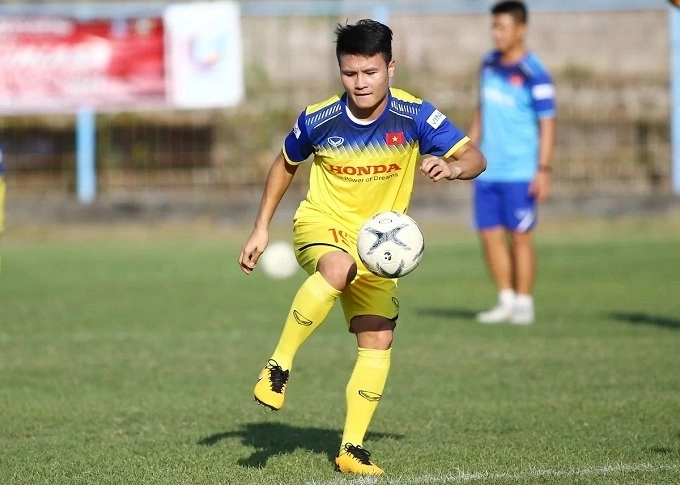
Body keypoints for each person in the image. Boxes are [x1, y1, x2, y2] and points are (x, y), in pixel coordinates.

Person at [238, 19, 486, 476]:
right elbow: (284, 163)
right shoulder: (320, 118)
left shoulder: (415, 116)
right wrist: (260, 227)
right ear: (340, 71)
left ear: (390, 67)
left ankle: (350, 449)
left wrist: (449, 168)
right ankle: (279, 365)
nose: (360, 83)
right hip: (322, 227)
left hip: (377, 248)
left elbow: (474, 158)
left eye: (370, 72)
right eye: (350, 73)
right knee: (337, 268)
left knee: (377, 339)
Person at [468, 1, 556, 325]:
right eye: (493, 26)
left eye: (502, 27)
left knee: (520, 236)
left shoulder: (534, 72)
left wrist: (543, 169)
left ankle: (524, 302)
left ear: (521, 29)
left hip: (521, 170)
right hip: (487, 169)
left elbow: (548, 122)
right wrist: (466, 148)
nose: (496, 33)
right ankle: (505, 300)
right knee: (489, 234)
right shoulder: (488, 64)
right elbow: (481, 110)